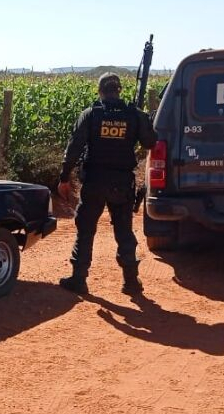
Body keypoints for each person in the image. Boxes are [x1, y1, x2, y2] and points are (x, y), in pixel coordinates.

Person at [57, 73, 157, 295]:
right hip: (122, 183)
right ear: (119, 90)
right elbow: (150, 142)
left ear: (100, 91)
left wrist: (64, 178)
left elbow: (74, 148)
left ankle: (79, 279)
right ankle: (131, 282)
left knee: (85, 230)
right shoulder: (134, 115)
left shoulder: (91, 114)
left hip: (94, 181)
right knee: (124, 231)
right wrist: (146, 120)